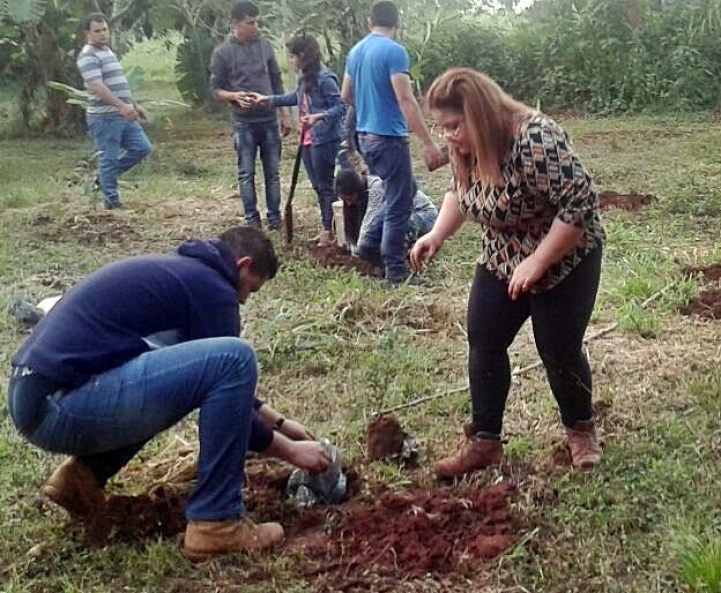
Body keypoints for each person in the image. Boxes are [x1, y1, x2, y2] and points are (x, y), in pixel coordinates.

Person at [7, 226, 332, 560]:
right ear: (243, 265)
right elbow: (230, 377)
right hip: (62, 405)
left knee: (188, 364)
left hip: (35, 398)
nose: (245, 299)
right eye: (251, 288)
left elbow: (213, 386)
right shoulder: (215, 289)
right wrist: (292, 451)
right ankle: (215, 522)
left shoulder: (182, 274)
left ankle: (81, 478)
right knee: (237, 357)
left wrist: (279, 422)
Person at [410, 68, 606, 476]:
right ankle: (484, 441)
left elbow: (580, 205)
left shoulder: (535, 139)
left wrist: (538, 261)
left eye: (454, 126)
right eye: (442, 127)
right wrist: (437, 234)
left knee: (557, 350)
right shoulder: (468, 145)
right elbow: (460, 193)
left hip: (566, 254)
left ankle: (580, 429)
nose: (448, 136)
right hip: (503, 255)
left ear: (480, 114)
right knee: (484, 335)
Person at [341, 0, 446, 285]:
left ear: (369, 23)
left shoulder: (356, 51)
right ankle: (395, 271)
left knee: (403, 192)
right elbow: (404, 98)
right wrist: (427, 143)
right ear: (397, 25)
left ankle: (369, 244)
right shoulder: (394, 52)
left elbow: (347, 95)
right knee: (400, 205)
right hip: (389, 140)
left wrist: (370, 109)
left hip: (366, 140)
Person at [249, 34, 346, 246]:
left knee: (326, 186)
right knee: (318, 186)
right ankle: (328, 227)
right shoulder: (305, 78)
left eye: (292, 56)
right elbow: (297, 98)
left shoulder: (325, 78)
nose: (291, 61)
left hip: (325, 139)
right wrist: (269, 100)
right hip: (308, 139)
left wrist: (318, 117)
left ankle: (329, 230)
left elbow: (341, 107)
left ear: (302, 55)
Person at [209, 1, 292, 230]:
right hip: (243, 122)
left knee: (272, 173)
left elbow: (276, 80)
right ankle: (251, 219)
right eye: (250, 22)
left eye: (256, 22)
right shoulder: (222, 52)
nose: (255, 27)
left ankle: (274, 217)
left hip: (268, 119)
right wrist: (233, 96)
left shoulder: (264, 45)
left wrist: (285, 114)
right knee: (246, 172)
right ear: (236, 24)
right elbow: (215, 89)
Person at [77, 13, 152, 210]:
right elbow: (97, 86)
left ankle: (103, 178)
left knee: (142, 148)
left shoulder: (107, 51)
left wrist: (133, 105)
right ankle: (112, 203)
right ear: (88, 33)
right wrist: (121, 106)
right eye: (97, 31)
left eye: (105, 30)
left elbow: (118, 83)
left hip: (123, 114)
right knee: (108, 158)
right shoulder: (87, 56)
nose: (103, 34)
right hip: (105, 117)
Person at [335, 168, 437, 267]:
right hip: (400, 214)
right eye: (344, 200)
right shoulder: (358, 196)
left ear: (357, 190)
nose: (348, 203)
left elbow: (369, 221)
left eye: (349, 198)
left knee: (393, 231)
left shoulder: (376, 188)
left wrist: (358, 253)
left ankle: (403, 260)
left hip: (423, 213)